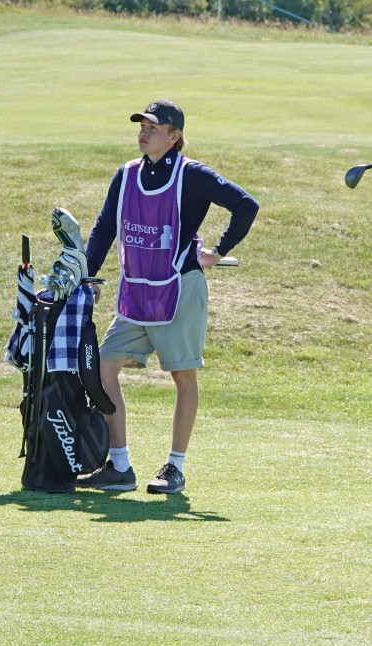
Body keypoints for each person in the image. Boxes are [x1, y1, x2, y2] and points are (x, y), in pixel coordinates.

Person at [76, 98, 258, 495]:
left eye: (154, 128)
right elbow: (105, 226)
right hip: (136, 291)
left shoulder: (193, 175)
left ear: (174, 137)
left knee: (182, 376)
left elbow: (246, 205)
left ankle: (174, 467)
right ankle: (119, 466)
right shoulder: (125, 175)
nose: (144, 132)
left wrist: (219, 251)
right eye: (142, 125)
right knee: (103, 368)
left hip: (179, 288)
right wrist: (88, 274)